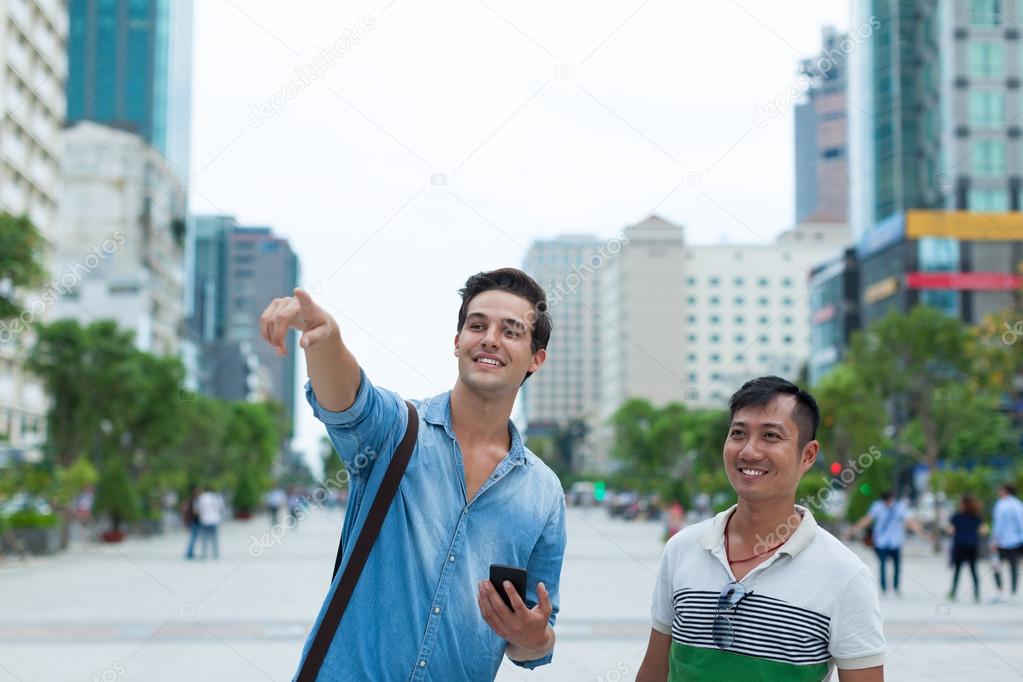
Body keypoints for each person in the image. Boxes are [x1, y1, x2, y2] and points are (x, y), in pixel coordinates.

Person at [259, 268, 566, 680]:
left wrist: (533, 635)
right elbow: (348, 399)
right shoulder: (397, 430)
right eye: (477, 325)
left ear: (536, 358)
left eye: (511, 331)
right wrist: (326, 336)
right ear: (458, 343)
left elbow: (535, 641)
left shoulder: (543, 492)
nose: (490, 337)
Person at [636, 377, 885, 682]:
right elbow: (653, 672)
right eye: (738, 433)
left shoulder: (845, 575)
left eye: (770, 436)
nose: (749, 451)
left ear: (807, 455)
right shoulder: (683, 548)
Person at [848, 490, 927, 596]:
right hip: (881, 541)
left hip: (895, 541)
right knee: (882, 565)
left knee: (897, 566)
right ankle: (884, 587)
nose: (888, 503)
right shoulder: (877, 507)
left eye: (889, 501)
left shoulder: (899, 507)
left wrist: (921, 532)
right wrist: (854, 528)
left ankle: (896, 587)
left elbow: (910, 522)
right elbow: (868, 519)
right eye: (886, 501)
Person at [946, 495, 986, 603]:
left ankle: (953, 593)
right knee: (973, 570)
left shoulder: (957, 516)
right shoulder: (976, 516)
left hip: (960, 545)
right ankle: (977, 594)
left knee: (958, 570)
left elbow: (950, 531)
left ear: (963, 504)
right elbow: (983, 531)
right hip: (972, 546)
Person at [990, 484, 1023, 603]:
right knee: (1014, 568)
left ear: (1005, 491)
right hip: (1015, 541)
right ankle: (1013, 594)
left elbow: (998, 526)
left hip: (1001, 542)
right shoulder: (1018, 504)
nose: (998, 492)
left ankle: (1000, 592)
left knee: (996, 566)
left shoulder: (1001, 505)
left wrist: (993, 540)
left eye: (1000, 490)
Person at [194, 486, 225, 560]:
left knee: (204, 538)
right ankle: (215, 554)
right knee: (214, 538)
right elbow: (221, 508)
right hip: (214, 519)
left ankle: (204, 554)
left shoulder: (201, 497)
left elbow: (197, 510)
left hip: (204, 520)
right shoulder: (217, 497)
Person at [181, 485, 201, 560]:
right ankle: (189, 553)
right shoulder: (192, 500)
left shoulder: (195, 500)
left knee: (194, 538)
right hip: (194, 521)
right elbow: (188, 511)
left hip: (196, 521)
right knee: (193, 538)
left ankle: (190, 552)